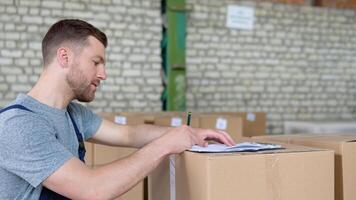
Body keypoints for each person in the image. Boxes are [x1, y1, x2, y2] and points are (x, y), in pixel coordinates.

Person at [0, 19, 235, 200]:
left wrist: (189, 134)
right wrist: (165, 145)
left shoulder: (73, 114)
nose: (104, 74)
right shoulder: (19, 125)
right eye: (96, 62)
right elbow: (91, 189)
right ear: (64, 57)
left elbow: (129, 134)